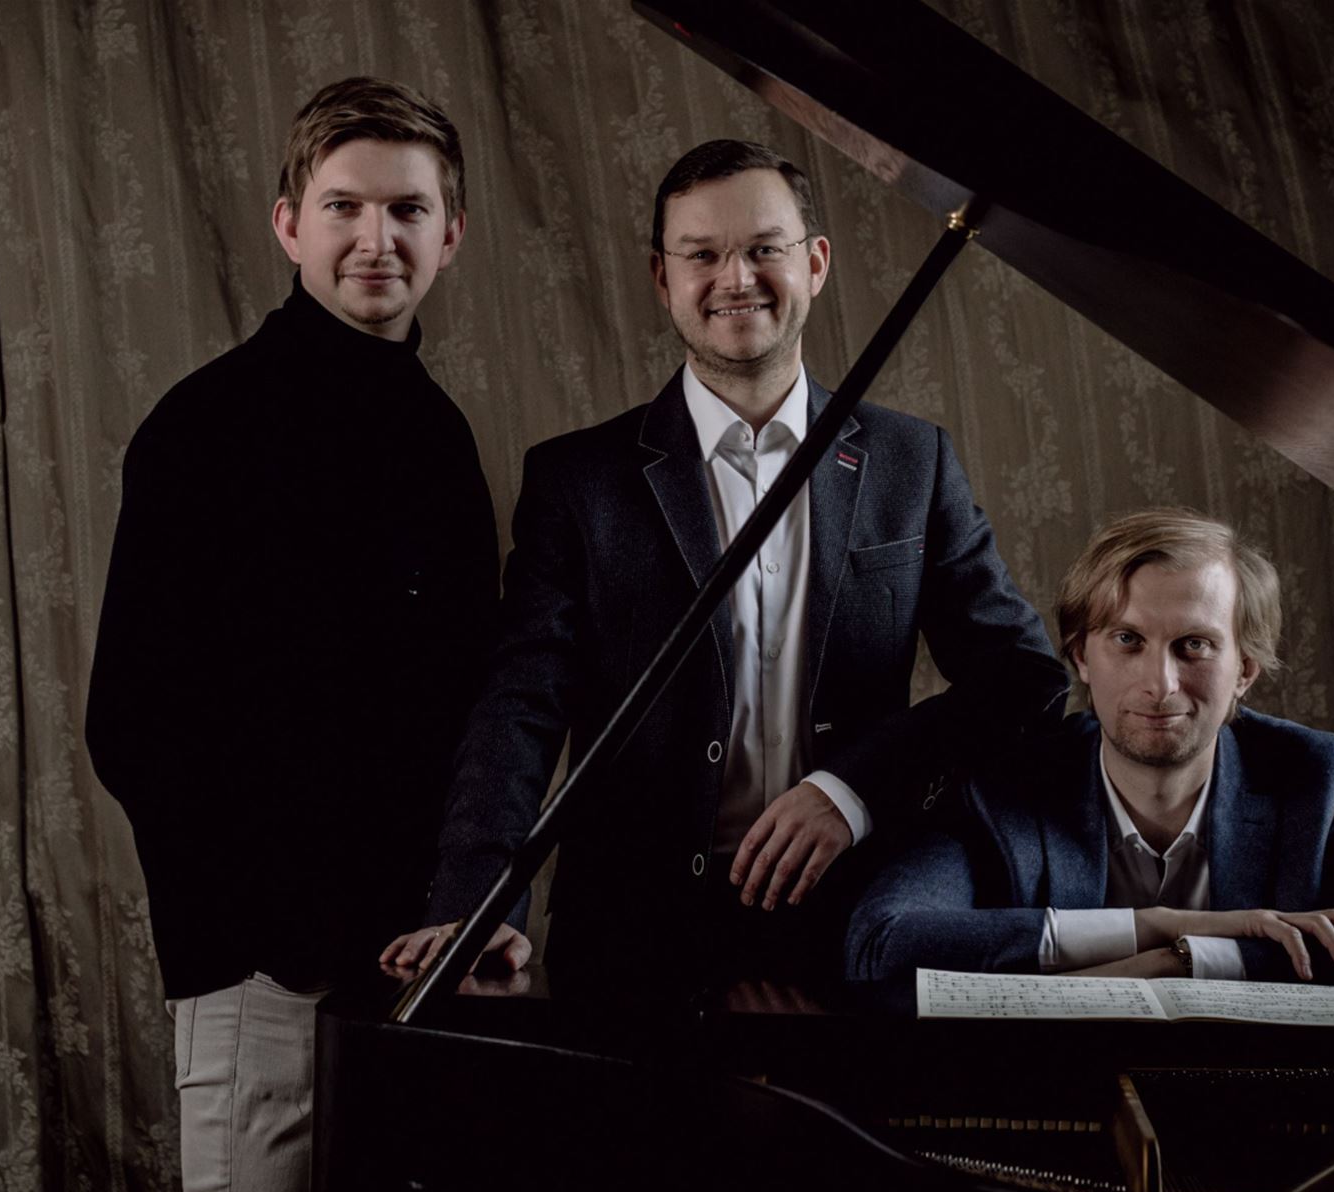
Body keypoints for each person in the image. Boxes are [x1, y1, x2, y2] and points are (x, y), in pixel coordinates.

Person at [383, 139, 1067, 981]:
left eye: (763, 248)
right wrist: (475, 902)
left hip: (852, 922)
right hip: (629, 939)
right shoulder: (577, 479)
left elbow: (1023, 681)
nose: (735, 278)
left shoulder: (911, 462)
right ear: (662, 277)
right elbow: (521, 704)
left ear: (815, 263)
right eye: (702, 255)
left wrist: (853, 790)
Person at [85, 77, 496, 1192]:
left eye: (408, 210)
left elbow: (468, 705)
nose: (378, 238)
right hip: (267, 964)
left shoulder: (440, 437)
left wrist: (457, 903)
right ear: (287, 225)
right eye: (344, 207)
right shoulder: (206, 426)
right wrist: (274, 932)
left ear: (451, 235)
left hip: (416, 958)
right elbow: (131, 721)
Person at [846, 508, 1334, 995]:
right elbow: (879, 944)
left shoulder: (1322, 779)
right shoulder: (1002, 783)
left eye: (1194, 645)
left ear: (1245, 670)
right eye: (1127, 640)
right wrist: (1157, 925)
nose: (1161, 685)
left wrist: (1187, 959)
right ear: (1081, 657)